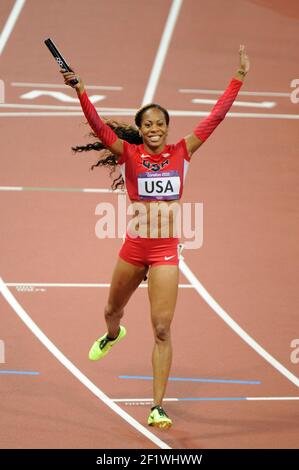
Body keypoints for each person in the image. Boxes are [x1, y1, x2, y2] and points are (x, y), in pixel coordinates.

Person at [60, 45, 250, 429]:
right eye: (147, 124)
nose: (154, 129)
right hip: (134, 248)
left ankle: (157, 406)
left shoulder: (183, 151)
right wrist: (80, 90)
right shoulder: (129, 154)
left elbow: (216, 117)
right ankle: (113, 335)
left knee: (162, 329)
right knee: (112, 311)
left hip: (165, 253)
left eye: (160, 123)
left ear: (167, 126)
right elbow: (99, 127)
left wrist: (239, 78)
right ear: (141, 128)